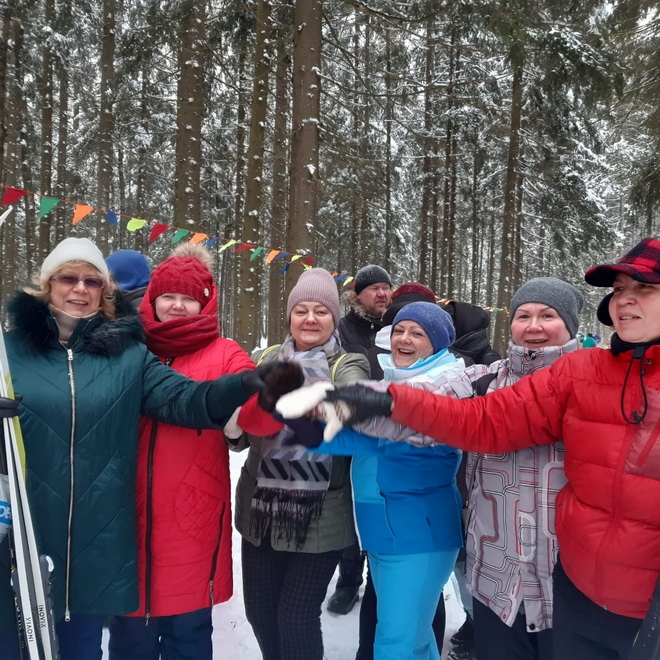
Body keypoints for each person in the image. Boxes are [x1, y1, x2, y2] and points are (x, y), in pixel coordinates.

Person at [324, 238, 660, 660]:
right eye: (523, 315)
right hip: (498, 580)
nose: (533, 326)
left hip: (570, 586)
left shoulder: (589, 378)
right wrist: (347, 407)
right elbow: (436, 401)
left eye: (548, 316)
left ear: (571, 325)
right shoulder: (486, 379)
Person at [0, 237, 294, 660]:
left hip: (98, 539)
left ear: (105, 293)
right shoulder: (9, 352)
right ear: (47, 284)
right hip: (26, 530)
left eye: (92, 281)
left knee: (86, 646)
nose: (79, 289)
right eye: (68, 278)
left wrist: (246, 385)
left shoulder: (126, 356)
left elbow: (187, 399)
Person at [108, 244, 279, 659]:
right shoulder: (125, 347)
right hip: (126, 513)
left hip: (192, 516)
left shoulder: (224, 353)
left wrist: (268, 402)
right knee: (130, 636)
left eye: (188, 298)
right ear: (152, 298)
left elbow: (251, 401)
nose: (177, 306)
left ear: (206, 303)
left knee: (188, 634)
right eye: (168, 295)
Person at [282, 301, 465, 660]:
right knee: (412, 639)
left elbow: (381, 439)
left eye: (417, 333)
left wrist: (311, 426)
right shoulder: (396, 383)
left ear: (438, 344)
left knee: (395, 646)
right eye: (399, 330)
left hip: (417, 536)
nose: (404, 339)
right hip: (385, 532)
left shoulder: (444, 388)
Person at [233, 268, 370, 660]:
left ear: (334, 318)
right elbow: (240, 436)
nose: (310, 319)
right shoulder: (265, 358)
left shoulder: (348, 363)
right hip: (260, 510)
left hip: (321, 515)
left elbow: (351, 404)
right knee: (260, 614)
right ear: (289, 315)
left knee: (295, 618)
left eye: (321, 311)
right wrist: (235, 417)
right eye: (301, 310)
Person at [333, 264, 393, 615]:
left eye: (386, 287)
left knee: (378, 503)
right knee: (347, 504)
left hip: (386, 428)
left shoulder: (397, 326)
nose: (382, 294)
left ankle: (375, 576)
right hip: (348, 428)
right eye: (374, 289)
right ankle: (348, 578)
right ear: (358, 295)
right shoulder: (343, 329)